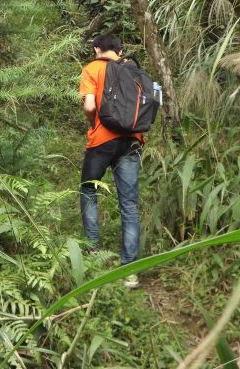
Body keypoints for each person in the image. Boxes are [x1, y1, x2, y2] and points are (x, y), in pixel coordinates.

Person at [79, 33, 143, 288]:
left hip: (102, 140)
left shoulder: (92, 68)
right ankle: (130, 273)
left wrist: (93, 125)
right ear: (119, 50)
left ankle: (93, 255)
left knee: (88, 191)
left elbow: (90, 107)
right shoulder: (132, 68)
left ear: (97, 49)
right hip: (132, 140)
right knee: (129, 204)